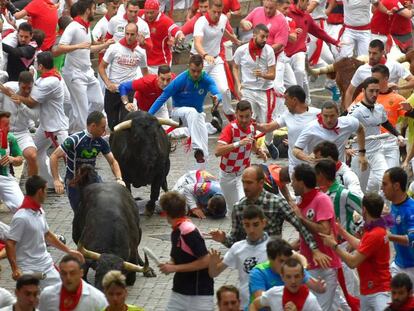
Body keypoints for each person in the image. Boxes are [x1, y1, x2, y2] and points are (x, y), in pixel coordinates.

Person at [210, 165, 330, 268]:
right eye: (243, 182)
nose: (245, 187)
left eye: (249, 183)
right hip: (251, 265)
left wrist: (315, 250)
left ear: (261, 183)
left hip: (275, 263)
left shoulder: (276, 202)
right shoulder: (238, 207)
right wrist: (223, 239)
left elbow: (300, 226)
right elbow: (236, 242)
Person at [5, 175, 84, 290]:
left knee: (63, 292)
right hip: (29, 269)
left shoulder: (40, 210)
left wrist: (68, 251)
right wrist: (15, 269)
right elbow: (10, 243)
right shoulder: (21, 217)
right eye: (45, 190)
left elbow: (47, 235)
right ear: (39, 191)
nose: (46, 193)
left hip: (45, 265)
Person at [321, 192, 392, 310]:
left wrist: (334, 246)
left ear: (364, 210)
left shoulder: (374, 234)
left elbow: (353, 262)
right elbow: (362, 245)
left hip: (378, 292)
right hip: (370, 290)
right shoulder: (375, 229)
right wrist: (342, 231)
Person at [148, 54, 222, 167]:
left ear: (202, 68)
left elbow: (217, 92)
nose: (196, 74)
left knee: (204, 145)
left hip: (197, 116)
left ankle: (201, 170)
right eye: (193, 71)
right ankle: (196, 148)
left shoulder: (206, 79)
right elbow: (162, 97)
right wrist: (148, 115)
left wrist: (217, 98)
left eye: (198, 71)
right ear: (188, 67)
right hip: (179, 114)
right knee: (191, 112)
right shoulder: (180, 80)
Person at [11, 52, 70, 189]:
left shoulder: (50, 81)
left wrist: (16, 97)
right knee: (36, 152)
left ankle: (78, 184)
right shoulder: (52, 76)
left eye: (36, 63)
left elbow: (31, 102)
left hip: (56, 127)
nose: (34, 65)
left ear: (41, 66)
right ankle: (50, 182)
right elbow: (66, 99)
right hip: (45, 126)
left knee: (69, 158)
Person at [55, 0, 114, 134]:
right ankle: (84, 136)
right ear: (87, 10)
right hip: (74, 74)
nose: (94, 11)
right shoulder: (73, 26)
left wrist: (105, 45)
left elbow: (90, 48)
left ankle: (76, 130)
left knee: (99, 102)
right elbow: (61, 46)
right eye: (93, 8)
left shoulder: (87, 27)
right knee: (81, 109)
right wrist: (78, 46)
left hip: (87, 72)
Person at [50, 111, 124, 212]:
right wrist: (56, 180)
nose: (105, 131)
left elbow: (112, 161)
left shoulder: (101, 142)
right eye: (102, 127)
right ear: (93, 126)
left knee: (104, 204)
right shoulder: (74, 139)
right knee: (81, 214)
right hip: (74, 182)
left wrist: (119, 178)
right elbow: (54, 156)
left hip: (92, 178)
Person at [291, 163, 342, 310]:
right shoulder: (302, 202)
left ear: (301, 182)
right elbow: (305, 237)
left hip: (324, 266)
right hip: (309, 266)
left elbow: (324, 230)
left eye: (294, 180)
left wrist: (301, 218)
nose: (292, 184)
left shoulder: (321, 199)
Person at [158, 191, 214, 311]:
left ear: (166, 213)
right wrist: (170, 264)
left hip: (199, 294)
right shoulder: (176, 231)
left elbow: (205, 261)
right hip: (180, 291)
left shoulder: (188, 231)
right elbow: (176, 257)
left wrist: (175, 268)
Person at [208, 205, 269, 308]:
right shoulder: (238, 248)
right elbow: (214, 273)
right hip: (244, 306)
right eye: (247, 225)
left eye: (255, 224)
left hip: (267, 305)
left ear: (264, 223)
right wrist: (212, 263)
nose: (251, 230)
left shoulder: (274, 246)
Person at [232, 24, 277, 158]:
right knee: (246, 118)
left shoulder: (269, 51)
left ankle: (269, 142)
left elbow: (273, 74)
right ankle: (248, 145)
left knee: (267, 121)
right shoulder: (241, 50)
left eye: (267, 37)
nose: (265, 40)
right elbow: (234, 66)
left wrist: (263, 74)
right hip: (248, 90)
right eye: (262, 37)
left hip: (265, 90)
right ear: (254, 35)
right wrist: (238, 83)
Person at [192, 0, 240, 121]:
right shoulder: (200, 22)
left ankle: (230, 115)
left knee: (225, 90)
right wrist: (205, 55)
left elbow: (224, 31)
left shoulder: (223, 19)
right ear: (208, 9)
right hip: (199, 62)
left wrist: (235, 40)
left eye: (219, 12)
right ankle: (191, 117)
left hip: (215, 60)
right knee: (195, 92)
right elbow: (197, 43)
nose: (217, 15)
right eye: (214, 12)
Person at [215, 101, 267, 211]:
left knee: (245, 205)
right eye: (241, 116)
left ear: (251, 114)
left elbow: (251, 144)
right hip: (227, 175)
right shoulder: (230, 129)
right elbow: (218, 151)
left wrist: (258, 150)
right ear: (236, 114)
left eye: (247, 116)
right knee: (232, 209)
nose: (244, 120)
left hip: (244, 174)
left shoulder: (252, 126)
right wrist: (238, 143)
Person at [353, 64, 408, 168]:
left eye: (376, 79)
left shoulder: (398, 99)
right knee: (371, 181)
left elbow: (387, 122)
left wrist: (398, 135)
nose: (373, 82)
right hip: (369, 141)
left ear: (386, 79)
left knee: (390, 176)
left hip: (389, 142)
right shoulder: (362, 96)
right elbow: (348, 115)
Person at [285, 0, 340, 104]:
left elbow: (319, 32)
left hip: (301, 48)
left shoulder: (307, 16)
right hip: (285, 53)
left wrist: (335, 42)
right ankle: (306, 99)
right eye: (307, 2)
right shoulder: (286, 11)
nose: (308, 5)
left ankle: (300, 99)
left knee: (301, 70)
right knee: (299, 76)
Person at [256, 85, 320, 174]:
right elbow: (267, 127)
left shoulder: (318, 114)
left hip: (314, 166)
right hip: (294, 167)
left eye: (286, 99)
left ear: (294, 100)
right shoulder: (287, 115)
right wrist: (253, 124)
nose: (285, 103)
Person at [98, 22, 148, 130]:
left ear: (137, 35)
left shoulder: (141, 52)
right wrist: (108, 83)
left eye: (132, 34)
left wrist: (143, 90)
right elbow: (101, 67)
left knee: (126, 124)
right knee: (113, 125)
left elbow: (145, 75)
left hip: (129, 91)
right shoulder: (114, 48)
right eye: (127, 34)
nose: (129, 37)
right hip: (113, 91)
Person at [293, 101, 368, 169]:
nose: (329, 120)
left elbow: (360, 129)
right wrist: (308, 158)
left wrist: (362, 154)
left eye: (332, 116)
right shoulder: (311, 128)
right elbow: (296, 149)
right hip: (318, 172)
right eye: (325, 116)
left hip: (339, 170)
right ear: (321, 115)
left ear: (338, 114)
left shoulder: (348, 123)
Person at [248, 238, 325, 302]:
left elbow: (318, 288)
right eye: (281, 261)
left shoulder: (293, 268)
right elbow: (261, 300)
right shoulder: (258, 273)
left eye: (288, 260)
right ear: (270, 258)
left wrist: (320, 287)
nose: (286, 265)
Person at [344, 39, 414, 110]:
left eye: (374, 53)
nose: (371, 56)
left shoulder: (394, 65)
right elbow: (349, 92)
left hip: (391, 106)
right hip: (368, 108)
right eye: (369, 53)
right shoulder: (362, 70)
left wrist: (398, 87)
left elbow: (413, 80)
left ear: (383, 52)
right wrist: (348, 111)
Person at [0, 71, 39, 177]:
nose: (26, 91)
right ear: (18, 84)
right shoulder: (8, 87)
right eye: (23, 88)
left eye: (29, 88)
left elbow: (35, 116)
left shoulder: (36, 94)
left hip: (21, 132)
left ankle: (32, 190)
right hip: (3, 131)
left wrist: (21, 104)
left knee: (32, 156)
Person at [249, 258, 322, 311]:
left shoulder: (310, 300)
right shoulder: (274, 293)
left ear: (302, 277)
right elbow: (254, 305)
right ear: (282, 277)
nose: (293, 281)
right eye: (288, 277)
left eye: (296, 276)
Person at [39, 255, 108, 310]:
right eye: (64, 273)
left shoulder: (97, 299)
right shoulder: (47, 295)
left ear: (81, 273)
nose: (68, 277)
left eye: (72, 273)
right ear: (59, 274)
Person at [382, 167, 414, 284]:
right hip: (398, 265)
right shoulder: (394, 205)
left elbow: (411, 239)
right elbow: (396, 225)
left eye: (385, 184)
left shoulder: (411, 210)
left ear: (396, 186)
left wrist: (388, 236)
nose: (382, 188)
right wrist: (384, 218)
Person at [139, 0, 184, 73]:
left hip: (161, 63)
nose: (149, 15)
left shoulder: (165, 21)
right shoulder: (140, 15)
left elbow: (177, 32)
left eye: (152, 12)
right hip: (143, 63)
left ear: (158, 11)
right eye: (147, 12)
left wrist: (179, 39)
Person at [0, 110, 24, 212]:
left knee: (23, 208)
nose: (9, 128)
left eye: (8, 125)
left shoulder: (10, 138)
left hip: (6, 178)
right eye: (5, 125)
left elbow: (20, 159)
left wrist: (12, 159)